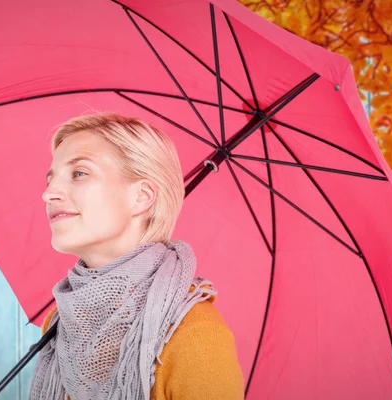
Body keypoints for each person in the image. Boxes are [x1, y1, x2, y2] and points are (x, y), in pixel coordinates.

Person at [29, 112, 244, 400]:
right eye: (51, 179)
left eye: (79, 173)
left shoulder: (195, 334)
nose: (49, 194)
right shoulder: (59, 324)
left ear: (142, 197)